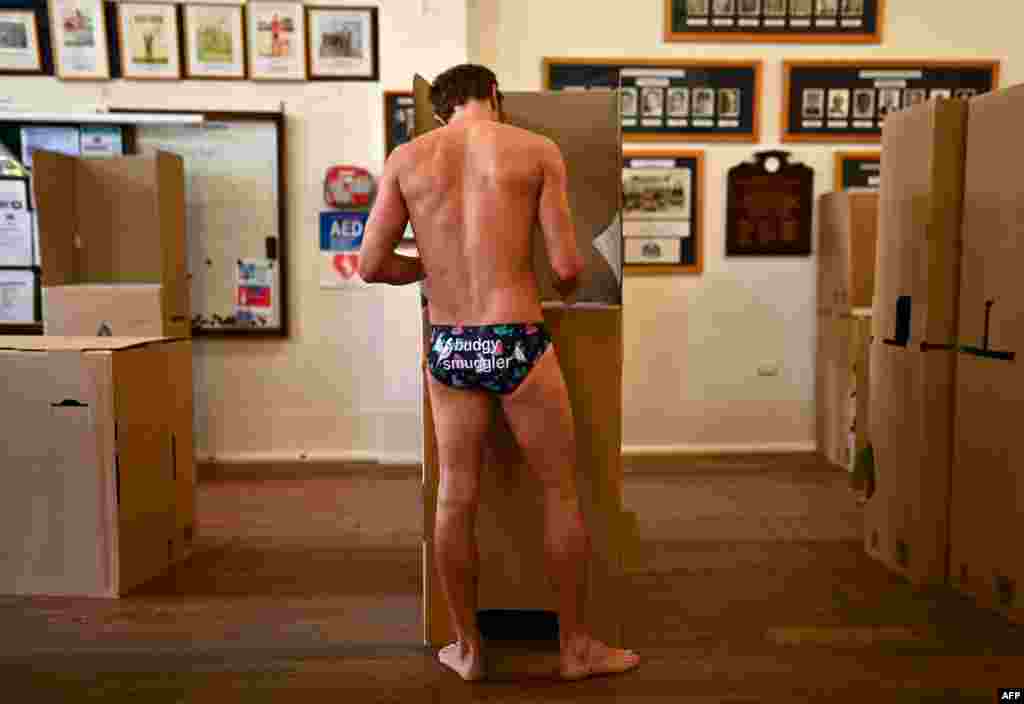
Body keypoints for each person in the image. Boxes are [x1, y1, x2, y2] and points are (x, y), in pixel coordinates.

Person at [358, 64, 641, 682]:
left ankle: (467, 648)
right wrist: (534, 276)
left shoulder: (408, 157)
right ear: (497, 98)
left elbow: (371, 263)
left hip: (451, 344)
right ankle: (575, 649)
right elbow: (567, 266)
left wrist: (433, 269)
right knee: (561, 492)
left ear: (440, 111)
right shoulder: (536, 149)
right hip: (515, 336)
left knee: (455, 495)